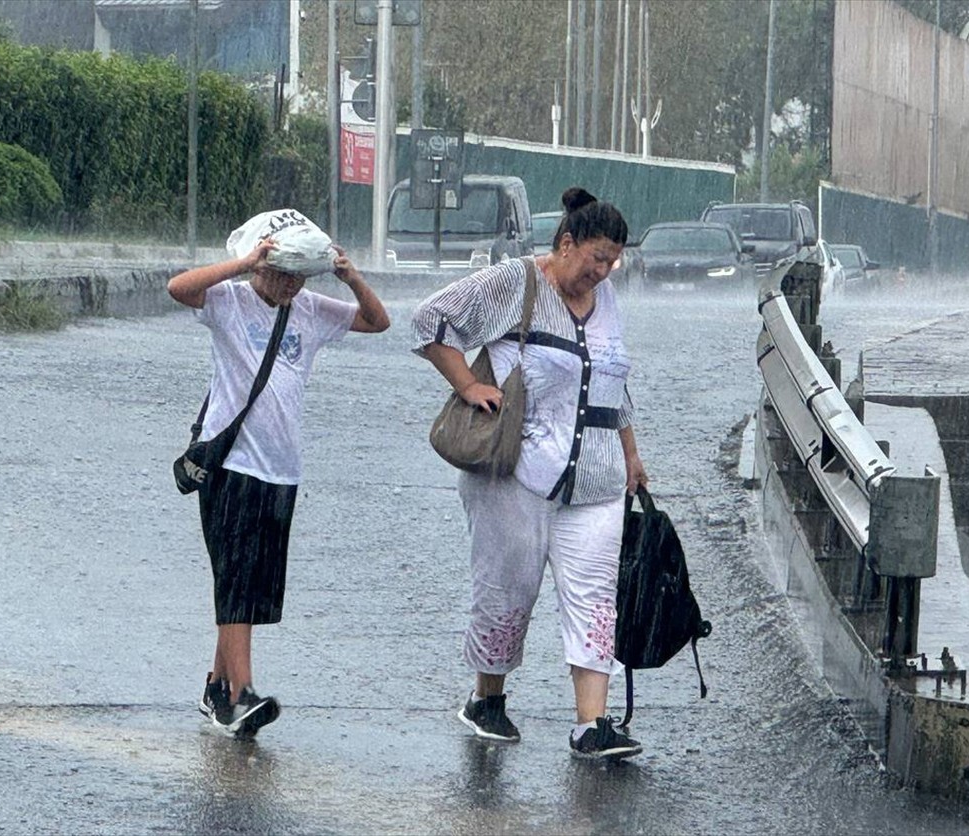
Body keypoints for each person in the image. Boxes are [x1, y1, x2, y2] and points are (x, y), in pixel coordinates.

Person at [411, 187, 649, 760]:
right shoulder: (514, 282)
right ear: (566, 244)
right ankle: (486, 699)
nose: (603, 270)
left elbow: (611, 379)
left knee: (596, 602)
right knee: (507, 593)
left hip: (595, 482)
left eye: (613, 260)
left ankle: (590, 725)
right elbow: (428, 319)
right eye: (595, 257)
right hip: (517, 473)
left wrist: (631, 456)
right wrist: (468, 385)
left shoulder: (606, 297)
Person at [168, 222, 390, 737]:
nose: (291, 285)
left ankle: (217, 687)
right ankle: (242, 695)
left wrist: (350, 275)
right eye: (283, 274)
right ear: (262, 265)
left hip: (282, 467)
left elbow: (377, 322)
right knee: (237, 580)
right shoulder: (228, 300)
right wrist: (246, 263)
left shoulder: (310, 310)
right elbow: (179, 288)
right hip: (232, 466)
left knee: (250, 584)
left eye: (300, 276)